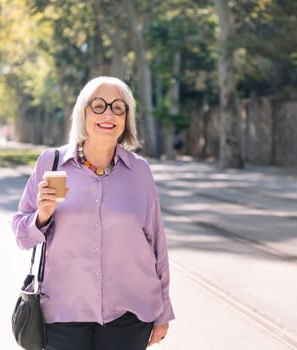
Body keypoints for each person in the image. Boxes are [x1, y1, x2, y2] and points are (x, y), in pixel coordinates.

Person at [12, 76, 175, 350]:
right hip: (63, 313)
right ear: (83, 113)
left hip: (129, 315)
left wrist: (163, 311)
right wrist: (42, 215)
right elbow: (21, 235)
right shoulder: (51, 163)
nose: (108, 114)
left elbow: (157, 243)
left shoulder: (140, 172)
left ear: (126, 117)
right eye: (98, 106)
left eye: (117, 107)